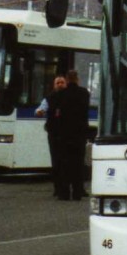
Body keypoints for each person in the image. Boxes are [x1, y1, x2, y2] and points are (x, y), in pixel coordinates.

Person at [50, 69, 91, 201]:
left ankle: (64, 193)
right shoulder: (84, 93)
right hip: (79, 135)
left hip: (64, 135)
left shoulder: (60, 94)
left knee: (64, 164)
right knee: (78, 164)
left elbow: (57, 114)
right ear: (77, 79)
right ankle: (77, 192)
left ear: (67, 80)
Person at [37, 75, 68, 197]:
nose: (60, 84)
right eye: (58, 83)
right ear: (54, 85)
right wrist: (39, 112)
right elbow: (41, 109)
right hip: (54, 133)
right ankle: (58, 187)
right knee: (56, 160)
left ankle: (63, 187)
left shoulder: (69, 97)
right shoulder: (49, 98)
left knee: (63, 160)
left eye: (62, 82)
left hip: (65, 133)